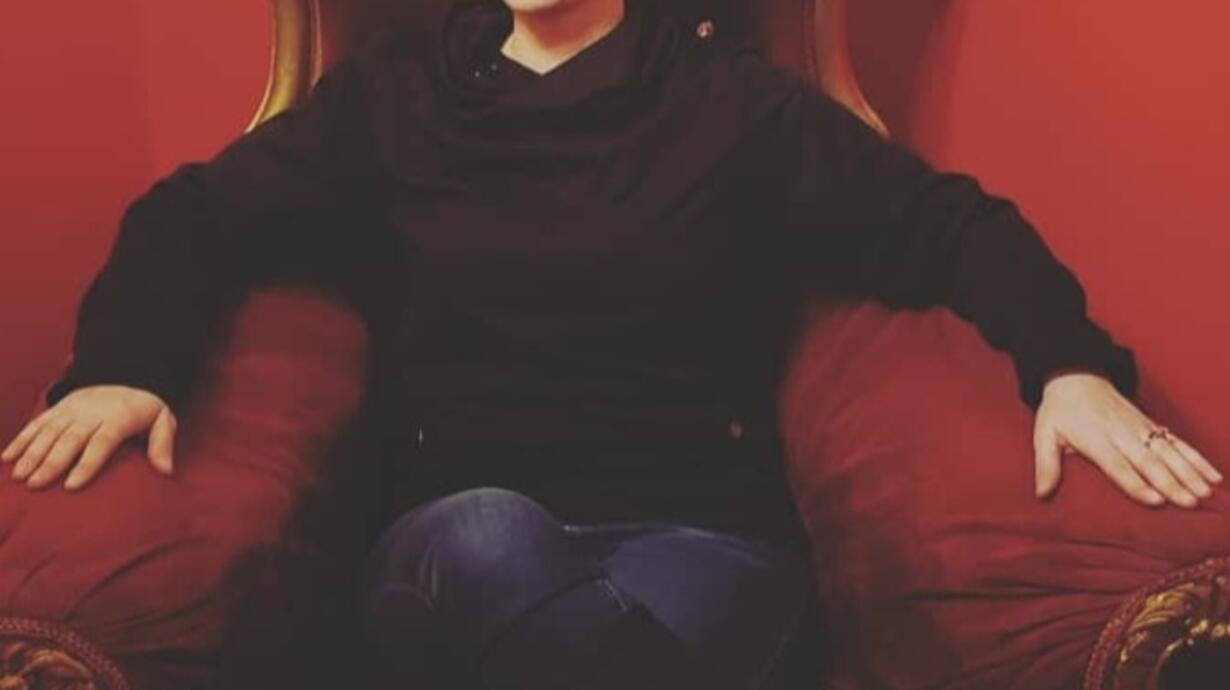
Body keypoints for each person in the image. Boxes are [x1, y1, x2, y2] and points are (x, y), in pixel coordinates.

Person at [2, 0, 1221, 687]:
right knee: (492, 543)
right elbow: (195, 217)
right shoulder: (401, 95)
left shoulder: (732, 106)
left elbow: (947, 224)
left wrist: (1069, 367)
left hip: (703, 543)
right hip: (451, 531)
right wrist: (125, 364)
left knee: (613, 627)